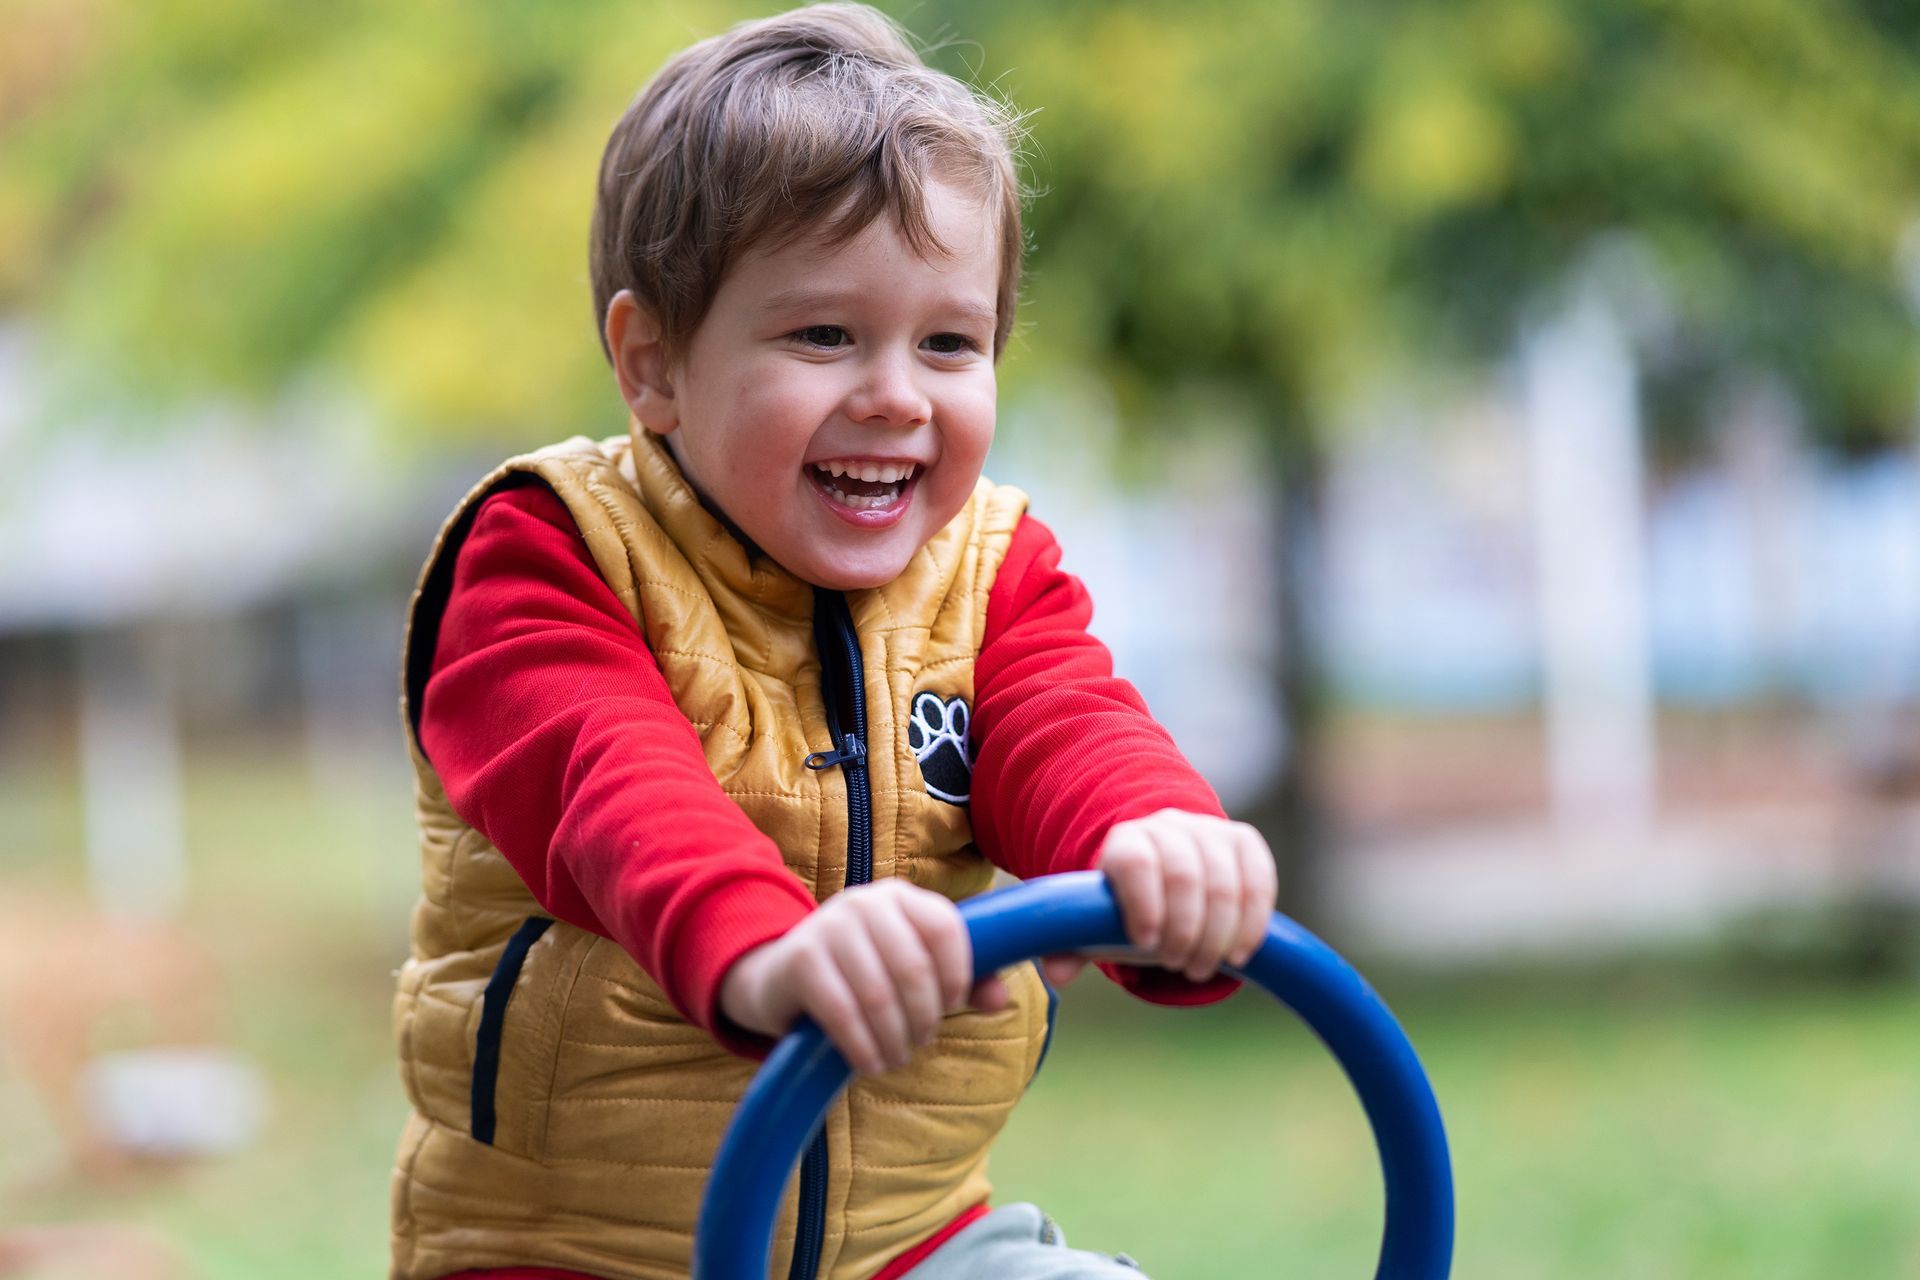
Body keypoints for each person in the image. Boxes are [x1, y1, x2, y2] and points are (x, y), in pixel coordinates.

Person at [390, 6, 1278, 1279]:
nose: (896, 394)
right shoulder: (545, 557)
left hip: (907, 1247)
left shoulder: (995, 578)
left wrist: (1155, 845)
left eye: (950, 342)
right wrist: (764, 950)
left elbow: (1071, 732)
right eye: (822, 334)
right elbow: (614, 793)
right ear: (655, 363)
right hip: (579, 1252)